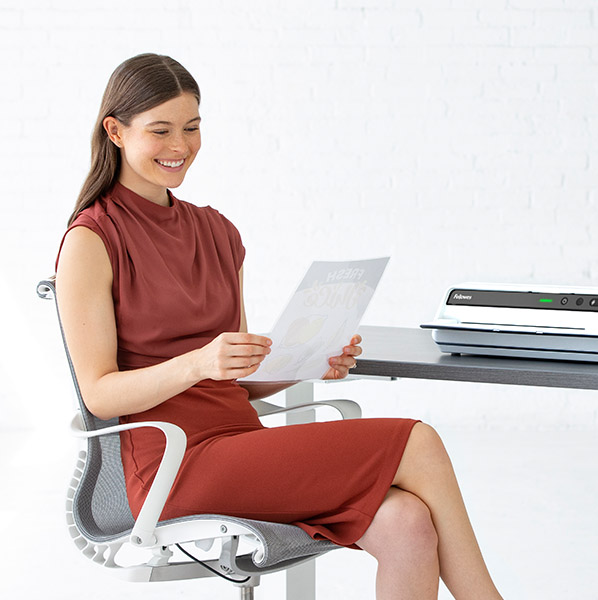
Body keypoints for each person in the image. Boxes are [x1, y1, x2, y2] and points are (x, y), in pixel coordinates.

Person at [55, 53, 503, 600]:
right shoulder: (91, 239)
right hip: (173, 464)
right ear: (115, 132)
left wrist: (309, 360)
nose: (180, 147)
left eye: (192, 128)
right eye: (161, 131)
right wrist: (200, 361)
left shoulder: (218, 232)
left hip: (240, 444)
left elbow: (237, 381)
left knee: (407, 521)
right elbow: (100, 395)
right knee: (418, 440)